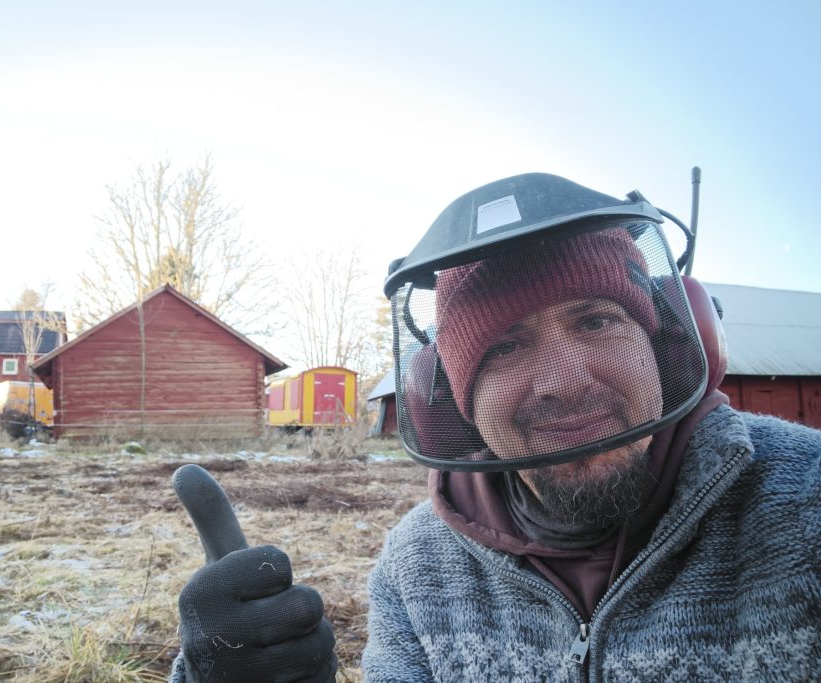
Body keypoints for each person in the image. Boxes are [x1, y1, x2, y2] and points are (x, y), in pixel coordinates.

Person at [169, 173, 821, 682]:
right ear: (449, 398)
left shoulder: (806, 504)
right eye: (505, 346)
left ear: (671, 344)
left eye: (595, 320)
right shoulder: (417, 565)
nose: (563, 381)